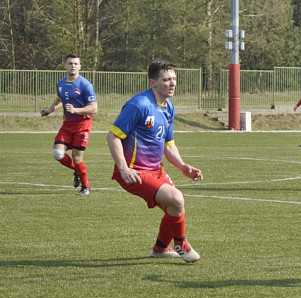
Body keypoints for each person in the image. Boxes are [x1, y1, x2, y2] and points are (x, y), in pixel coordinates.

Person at [106, 60, 203, 263]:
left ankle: (160, 248)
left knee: (174, 208)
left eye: (174, 79)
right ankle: (181, 244)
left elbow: (168, 144)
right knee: (176, 199)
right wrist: (123, 168)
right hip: (134, 172)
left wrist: (183, 166)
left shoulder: (168, 107)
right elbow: (113, 136)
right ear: (153, 83)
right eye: (166, 79)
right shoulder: (139, 105)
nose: (172, 83)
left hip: (155, 170)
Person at [40, 54, 98, 196]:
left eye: (75, 64)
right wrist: (49, 110)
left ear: (80, 66)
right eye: (70, 63)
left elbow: (94, 108)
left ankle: (86, 187)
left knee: (77, 158)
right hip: (67, 125)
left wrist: (76, 110)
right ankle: (77, 171)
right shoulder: (61, 83)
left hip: (82, 125)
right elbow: (60, 99)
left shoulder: (85, 85)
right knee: (58, 153)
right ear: (65, 66)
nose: (73, 66)